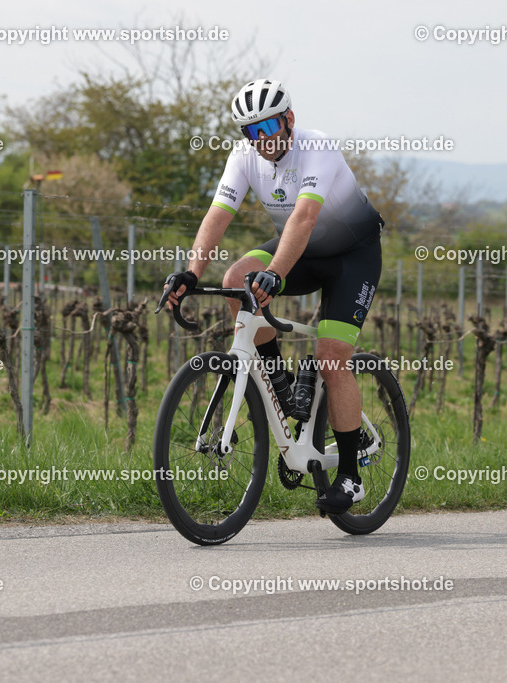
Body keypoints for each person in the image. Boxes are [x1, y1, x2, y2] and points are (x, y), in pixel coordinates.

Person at [163, 78, 384, 513]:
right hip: (299, 252)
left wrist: (277, 275)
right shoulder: (245, 156)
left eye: (267, 128)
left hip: (350, 257)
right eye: (250, 131)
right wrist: (191, 272)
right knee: (236, 278)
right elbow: (217, 215)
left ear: (289, 120)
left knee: (331, 356)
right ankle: (281, 387)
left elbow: (303, 217)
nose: (260, 140)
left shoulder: (316, 146)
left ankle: (351, 478)